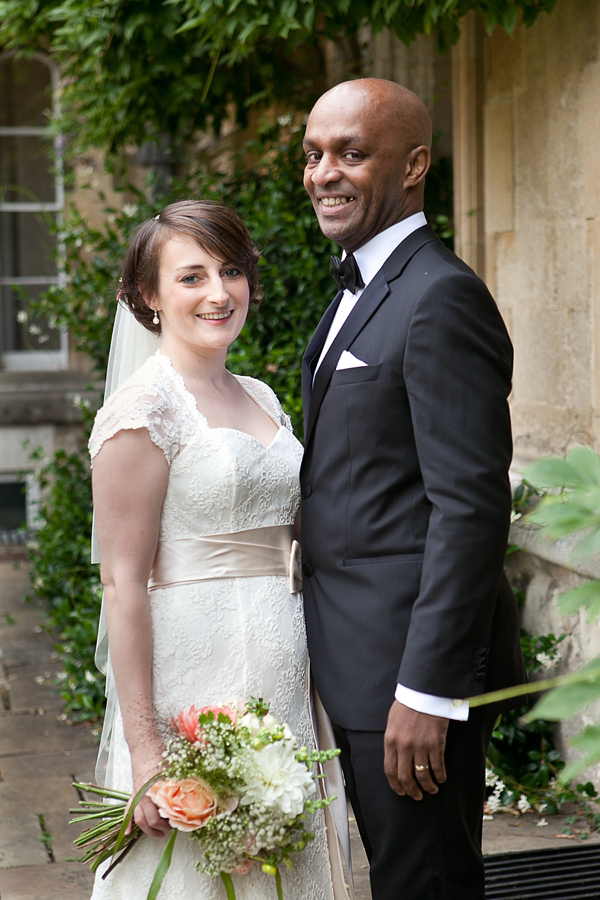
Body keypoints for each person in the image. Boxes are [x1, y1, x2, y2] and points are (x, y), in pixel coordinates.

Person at [300, 78, 526, 900]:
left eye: (351, 154)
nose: (325, 172)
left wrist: (427, 691)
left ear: (414, 164)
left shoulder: (441, 297)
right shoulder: (357, 292)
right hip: (353, 658)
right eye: (315, 154)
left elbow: (469, 509)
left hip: (406, 674)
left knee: (425, 885)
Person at [88, 200, 338, 900]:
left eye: (231, 270)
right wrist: (145, 749)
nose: (219, 292)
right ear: (149, 295)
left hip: (285, 672)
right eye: (191, 276)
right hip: (194, 672)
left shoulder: (259, 396)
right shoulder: (142, 412)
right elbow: (122, 583)